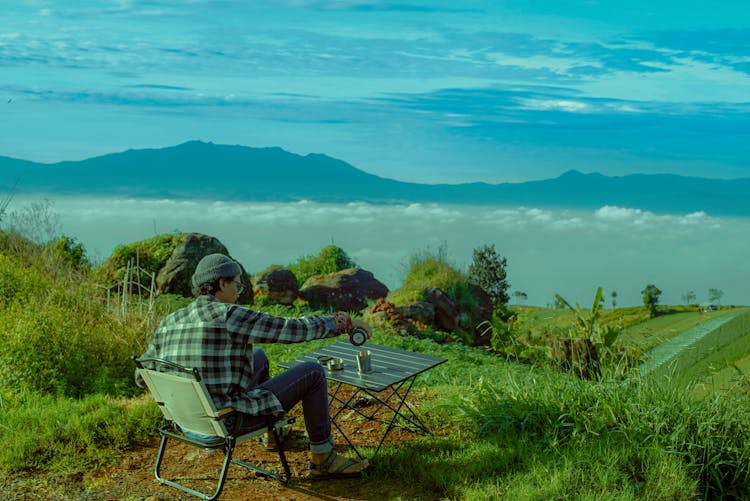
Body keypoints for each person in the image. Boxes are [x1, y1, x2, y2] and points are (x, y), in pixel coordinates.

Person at [136, 253, 371, 478]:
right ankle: (324, 458)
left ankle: (271, 435)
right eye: (237, 285)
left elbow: (141, 374)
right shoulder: (228, 315)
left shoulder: (170, 322)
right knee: (314, 372)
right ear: (221, 283)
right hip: (226, 422)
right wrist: (340, 322)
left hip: (187, 422)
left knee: (257, 355)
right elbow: (289, 329)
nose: (238, 292)